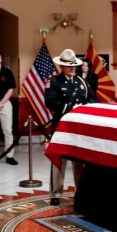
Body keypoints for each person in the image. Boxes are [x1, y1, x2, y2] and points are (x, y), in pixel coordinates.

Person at [45, 49, 98, 206]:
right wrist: (70, 108)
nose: (73, 68)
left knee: (79, 160)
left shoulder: (82, 82)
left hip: (79, 128)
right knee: (59, 160)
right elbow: (50, 102)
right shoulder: (54, 81)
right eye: (69, 66)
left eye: (74, 65)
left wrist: (84, 107)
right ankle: (56, 193)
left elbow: (93, 99)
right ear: (62, 66)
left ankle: (80, 191)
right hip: (62, 125)